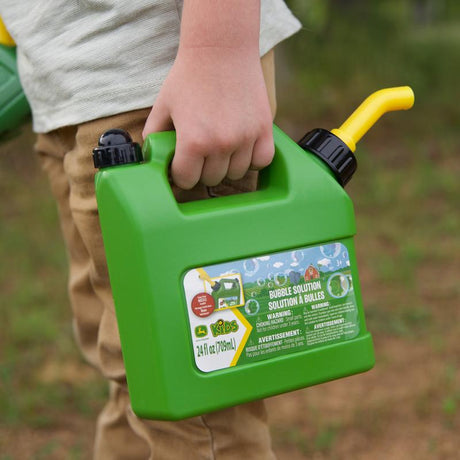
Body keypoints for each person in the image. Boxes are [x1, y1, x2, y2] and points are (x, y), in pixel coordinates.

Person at [0, 1, 301, 458]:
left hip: (161, 82)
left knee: (195, 402)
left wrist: (218, 51)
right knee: (133, 374)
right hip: (62, 82)